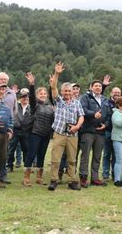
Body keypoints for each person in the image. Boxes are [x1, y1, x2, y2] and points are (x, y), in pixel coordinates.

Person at [47, 62, 85, 191]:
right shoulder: (58, 101)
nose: (67, 93)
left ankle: (72, 181)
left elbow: (81, 116)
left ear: (72, 92)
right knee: (56, 159)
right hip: (59, 133)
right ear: (62, 91)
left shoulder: (77, 103)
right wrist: (57, 74)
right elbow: (53, 88)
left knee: (72, 160)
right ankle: (54, 180)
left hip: (73, 134)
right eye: (65, 91)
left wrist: (77, 126)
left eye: (69, 91)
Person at [22, 72, 55, 186]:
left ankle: (39, 177)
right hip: (35, 133)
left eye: (44, 93)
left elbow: (53, 96)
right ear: (37, 95)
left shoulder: (50, 106)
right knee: (31, 154)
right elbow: (31, 97)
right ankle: (26, 177)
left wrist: (51, 85)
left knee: (42, 154)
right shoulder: (35, 105)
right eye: (40, 93)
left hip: (46, 134)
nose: (43, 95)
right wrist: (31, 84)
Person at [78, 80, 110, 187]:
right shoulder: (85, 97)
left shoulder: (105, 99)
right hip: (88, 130)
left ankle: (95, 178)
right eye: (95, 86)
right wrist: (93, 114)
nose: (98, 87)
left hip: (100, 132)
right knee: (85, 155)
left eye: (100, 86)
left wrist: (105, 124)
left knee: (97, 156)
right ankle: (83, 178)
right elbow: (82, 109)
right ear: (91, 87)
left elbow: (109, 113)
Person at [7, 88, 32, 174]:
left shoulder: (31, 107)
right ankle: (9, 166)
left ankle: (27, 166)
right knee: (11, 149)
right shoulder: (15, 105)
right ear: (20, 98)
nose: (25, 98)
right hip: (15, 130)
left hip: (26, 131)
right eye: (24, 97)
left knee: (27, 149)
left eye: (27, 97)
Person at [102, 87, 121, 181]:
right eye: (115, 92)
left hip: (118, 133)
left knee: (116, 155)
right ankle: (105, 174)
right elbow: (104, 117)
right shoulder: (106, 103)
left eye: (118, 92)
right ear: (111, 93)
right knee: (106, 154)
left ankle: (115, 174)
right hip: (108, 132)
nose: (116, 94)